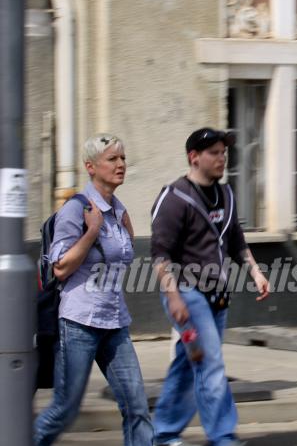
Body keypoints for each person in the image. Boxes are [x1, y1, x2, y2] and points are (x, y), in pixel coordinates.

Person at [150, 127, 270, 446]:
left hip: (217, 296)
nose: (222, 158)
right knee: (211, 363)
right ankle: (223, 436)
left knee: (191, 362)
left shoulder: (226, 195)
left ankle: (164, 433)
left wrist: (255, 272)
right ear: (194, 157)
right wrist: (173, 297)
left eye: (224, 152)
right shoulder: (174, 198)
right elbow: (159, 255)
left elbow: (237, 241)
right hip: (187, 295)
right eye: (214, 153)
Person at [34, 134, 154, 445]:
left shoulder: (118, 209)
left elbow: (121, 260)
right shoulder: (76, 209)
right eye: (113, 159)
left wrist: (124, 234)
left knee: (137, 406)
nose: (121, 165)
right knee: (65, 409)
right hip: (78, 323)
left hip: (114, 321)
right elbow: (60, 266)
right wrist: (92, 231)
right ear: (91, 166)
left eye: (123, 158)